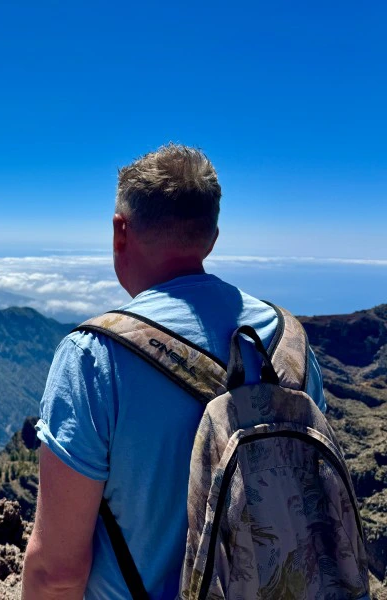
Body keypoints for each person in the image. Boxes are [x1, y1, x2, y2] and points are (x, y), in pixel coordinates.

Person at [20, 144, 327, 600]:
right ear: (213, 236)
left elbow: (57, 573)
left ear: (119, 232)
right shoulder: (288, 345)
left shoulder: (94, 358)